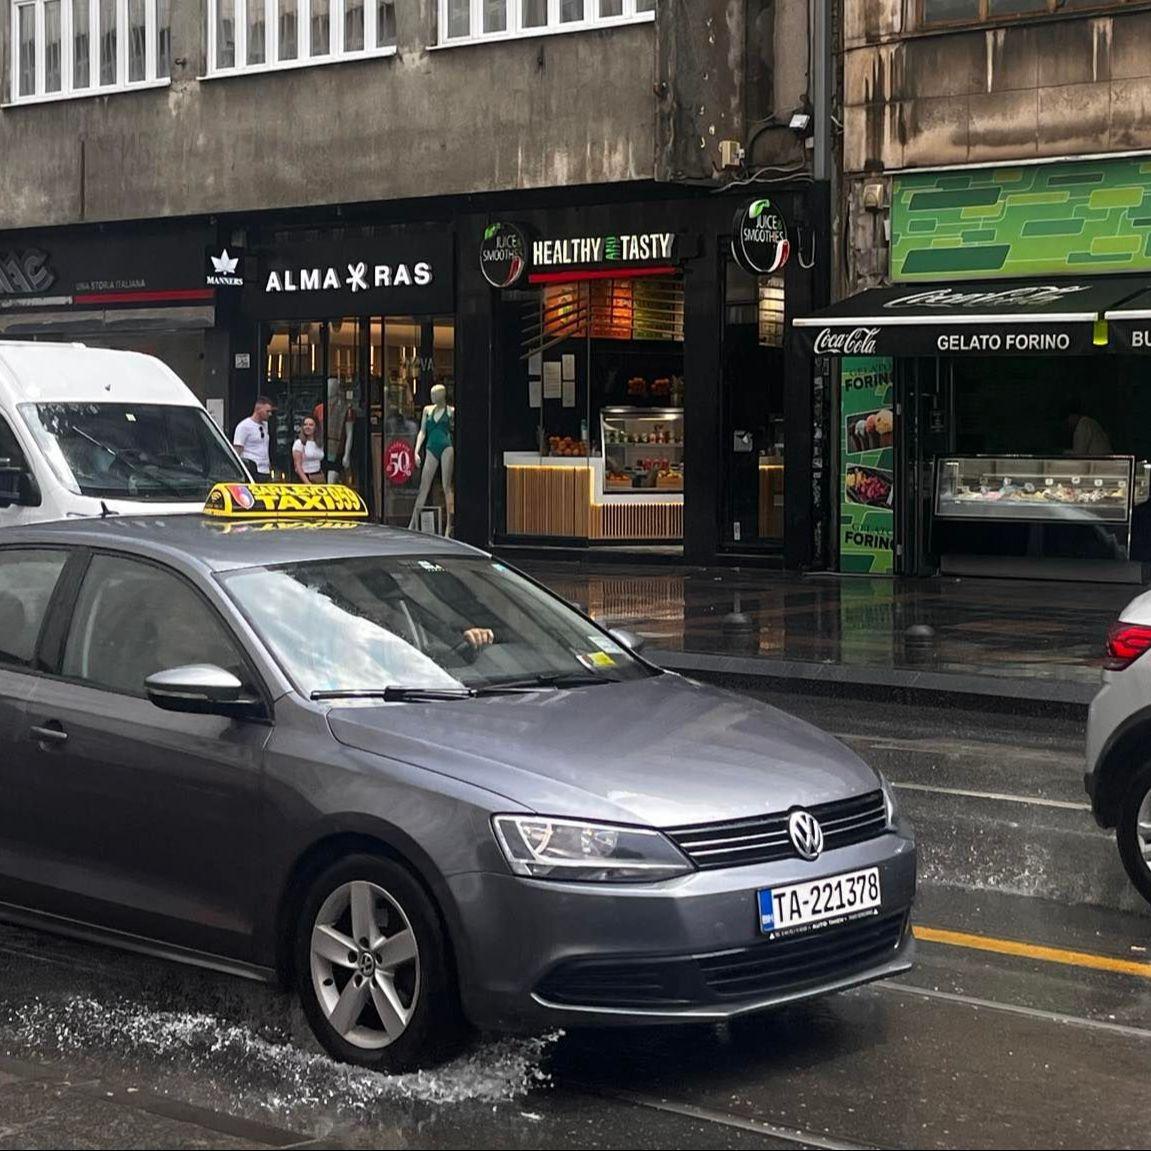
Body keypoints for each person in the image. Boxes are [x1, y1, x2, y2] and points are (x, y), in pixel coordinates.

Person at [408, 384, 455, 535]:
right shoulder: (427, 410)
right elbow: (422, 431)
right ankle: (412, 524)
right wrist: (416, 451)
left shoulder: (451, 411)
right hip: (430, 447)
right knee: (424, 486)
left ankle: (449, 526)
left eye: (435, 395)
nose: (432, 397)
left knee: (446, 486)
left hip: (446, 447)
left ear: (442, 395)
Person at [233, 396, 274, 480]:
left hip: (265, 470)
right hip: (252, 470)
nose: (270, 414)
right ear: (258, 409)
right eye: (267, 411)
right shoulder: (244, 426)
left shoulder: (265, 425)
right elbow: (238, 450)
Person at [292, 417, 324, 484]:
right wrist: (307, 483)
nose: (307, 427)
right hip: (305, 477)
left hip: (318, 477)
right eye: (305, 424)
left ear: (315, 428)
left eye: (311, 425)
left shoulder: (319, 443)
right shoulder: (299, 443)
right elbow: (298, 466)